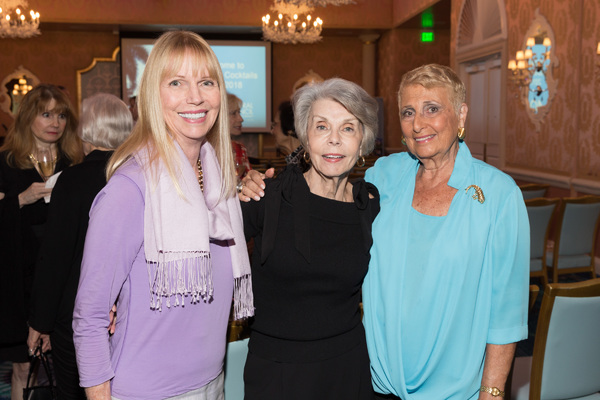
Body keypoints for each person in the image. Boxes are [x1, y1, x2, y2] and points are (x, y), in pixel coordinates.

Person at [240, 64, 529, 400]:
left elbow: (506, 312)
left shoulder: (498, 194)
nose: (419, 123)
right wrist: (253, 185)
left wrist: (492, 392)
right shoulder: (385, 179)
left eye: (432, 109)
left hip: (454, 388)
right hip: (375, 379)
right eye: (408, 112)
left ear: (461, 114)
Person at [72, 31, 253, 400]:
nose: (196, 97)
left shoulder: (220, 187)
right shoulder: (129, 190)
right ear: (154, 95)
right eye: (176, 82)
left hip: (213, 384)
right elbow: (89, 317)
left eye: (207, 82)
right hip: (143, 392)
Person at [240, 78, 380, 400]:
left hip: (349, 368)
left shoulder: (369, 204)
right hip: (277, 374)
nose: (334, 140)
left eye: (347, 128)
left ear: (362, 143)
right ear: (305, 136)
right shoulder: (266, 196)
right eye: (322, 127)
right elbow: (205, 252)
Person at [27, 93, 133, 400]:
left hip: (76, 312)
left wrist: (40, 321)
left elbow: (55, 256)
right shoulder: (139, 175)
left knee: (75, 389)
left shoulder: (72, 180)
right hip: (128, 307)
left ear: (84, 129)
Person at [0, 84, 82, 400]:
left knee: (66, 363)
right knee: (24, 365)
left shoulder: (74, 162)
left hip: (62, 273)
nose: (55, 123)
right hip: (20, 275)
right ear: (28, 117)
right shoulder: (7, 162)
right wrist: (21, 199)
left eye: (61, 115)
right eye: (46, 114)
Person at [227, 93, 251, 179]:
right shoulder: (206, 150)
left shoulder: (240, 148)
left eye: (239, 112)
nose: (241, 119)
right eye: (234, 113)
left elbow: (248, 181)